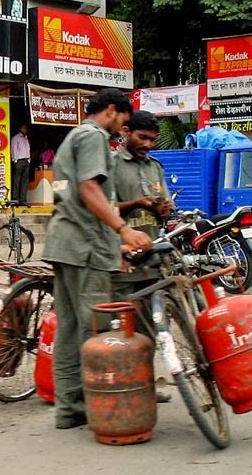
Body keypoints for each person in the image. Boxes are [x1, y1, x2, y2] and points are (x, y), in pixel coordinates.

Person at [41, 89, 152, 430]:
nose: (123, 128)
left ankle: (69, 409)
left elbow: (74, 196)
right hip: (85, 249)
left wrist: (112, 241)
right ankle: (97, 407)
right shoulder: (93, 137)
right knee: (94, 332)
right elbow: (90, 191)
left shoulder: (73, 136)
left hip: (67, 244)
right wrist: (122, 230)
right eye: (124, 120)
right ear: (111, 111)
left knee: (71, 328)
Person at [112, 110, 174, 402]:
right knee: (122, 330)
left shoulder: (156, 167)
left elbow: (166, 202)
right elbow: (105, 208)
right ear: (126, 132)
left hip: (152, 260)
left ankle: (145, 386)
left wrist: (164, 209)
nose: (147, 144)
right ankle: (121, 387)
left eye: (152, 139)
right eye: (142, 137)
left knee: (152, 328)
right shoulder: (111, 165)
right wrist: (137, 203)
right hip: (122, 259)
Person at [11, 124, 30, 206]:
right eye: (23, 128)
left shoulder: (26, 138)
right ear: (20, 128)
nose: (25, 129)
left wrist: (29, 160)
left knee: (25, 181)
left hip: (26, 161)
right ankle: (15, 199)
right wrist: (15, 160)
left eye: (26, 128)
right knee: (17, 180)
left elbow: (28, 149)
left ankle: (23, 200)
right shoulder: (16, 138)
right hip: (19, 161)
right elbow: (13, 149)